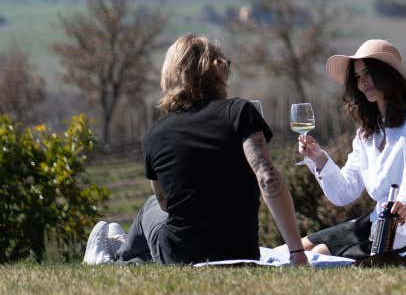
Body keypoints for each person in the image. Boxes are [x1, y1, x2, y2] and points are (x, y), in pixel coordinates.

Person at [84, 34, 309, 266]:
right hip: (241, 251)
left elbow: (164, 202)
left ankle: (119, 259)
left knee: (150, 207)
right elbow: (268, 178)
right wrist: (296, 252)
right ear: (217, 70)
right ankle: (125, 254)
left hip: (181, 254)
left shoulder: (155, 133)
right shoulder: (240, 112)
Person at [296, 38, 406, 259]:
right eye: (358, 77)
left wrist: (403, 205)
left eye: (368, 73)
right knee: (294, 249)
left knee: (315, 257)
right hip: (374, 222)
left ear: (387, 75)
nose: (362, 82)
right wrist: (318, 158)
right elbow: (344, 192)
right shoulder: (368, 132)